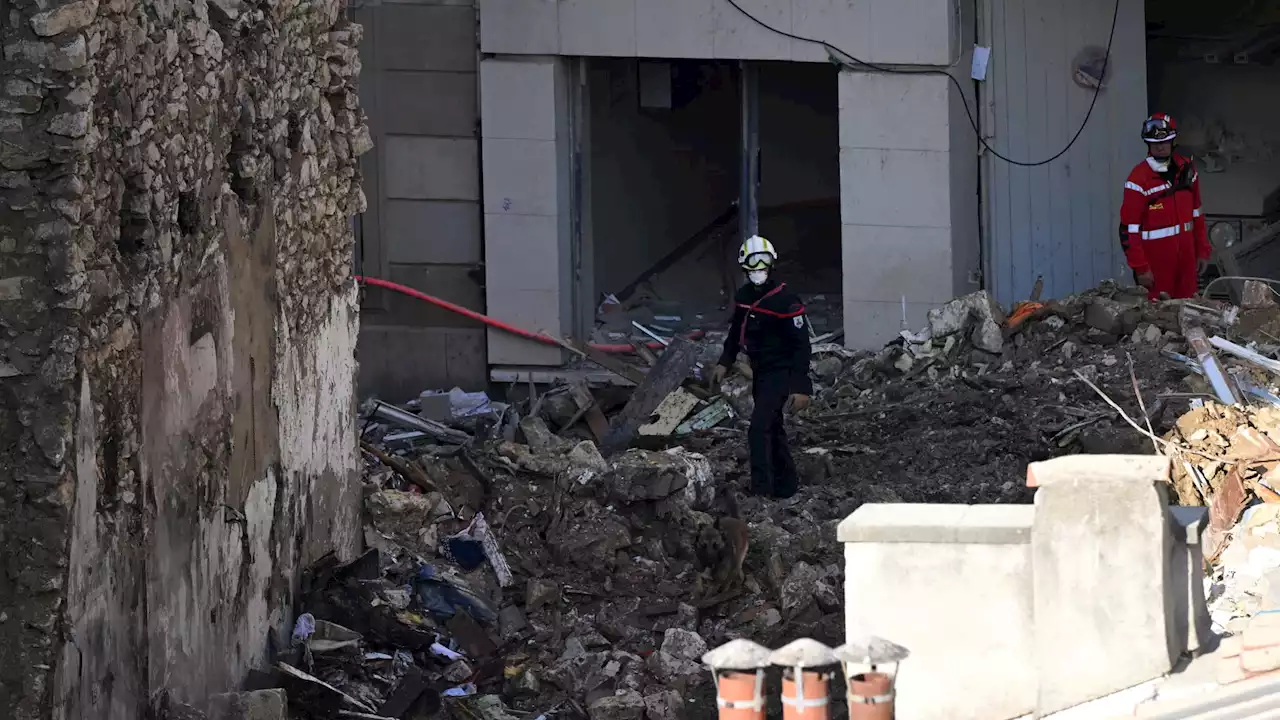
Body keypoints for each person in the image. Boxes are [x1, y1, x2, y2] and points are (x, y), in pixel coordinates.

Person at [709, 235, 812, 499]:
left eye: (762, 268)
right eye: (752, 269)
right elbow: (735, 332)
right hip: (760, 371)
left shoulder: (787, 300)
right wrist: (724, 361)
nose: (758, 273)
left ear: (772, 266)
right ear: (744, 268)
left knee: (758, 429)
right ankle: (786, 486)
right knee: (773, 427)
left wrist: (801, 387)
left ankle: (761, 492)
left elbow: (802, 345)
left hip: (781, 372)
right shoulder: (744, 297)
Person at [1119, 112, 1211, 301]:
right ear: (1148, 144)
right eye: (1154, 143)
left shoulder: (1187, 171)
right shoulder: (1138, 179)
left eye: (1164, 142)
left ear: (1172, 141)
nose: (1159, 147)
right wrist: (1141, 268)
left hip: (1186, 262)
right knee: (1158, 317)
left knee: (1189, 311)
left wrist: (1202, 250)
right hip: (1156, 266)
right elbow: (1129, 230)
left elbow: (1197, 214)